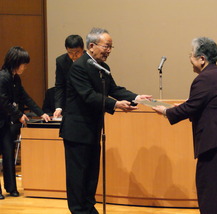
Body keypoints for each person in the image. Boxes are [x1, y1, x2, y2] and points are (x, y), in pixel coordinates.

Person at [59, 27, 152, 214]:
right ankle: (79, 210)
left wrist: (136, 97)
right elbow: (89, 96)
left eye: (111, 47)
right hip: (77, 132)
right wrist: (115, 105)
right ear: (92, 46)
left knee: (92, 174)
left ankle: (88, 207)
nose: (109, 51)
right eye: (106, 46)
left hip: (93, 130)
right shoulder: (79, 66)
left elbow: (114, 89)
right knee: (78, 176)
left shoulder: (102, 68)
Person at [153, 37, 217, 214]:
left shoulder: (205, 78)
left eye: (192, 55)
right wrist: (179, 109)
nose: (190, 59)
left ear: (202, 58)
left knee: (214, 191)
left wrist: (166, 112)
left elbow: (192, 106)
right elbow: (200, 105)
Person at [0, 47, 51, 199]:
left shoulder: (16, 78)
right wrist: (19, 114)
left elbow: (24, 97)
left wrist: (40, 113)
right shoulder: (3, 77)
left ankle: (11, 188)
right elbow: (2, 101)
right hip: (2, 121)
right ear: (15, 62)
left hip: (7, 123)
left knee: (8, 155)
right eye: (23, 63)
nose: (25, 67)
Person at [53, 35, 84, 118]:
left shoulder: (90, 60)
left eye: (77, 52)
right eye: (70, 52)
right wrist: (58, 107)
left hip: (86, 101)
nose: (74, 56)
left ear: (83, 49)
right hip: (69, 102)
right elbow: (60, 85)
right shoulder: (61, 61)